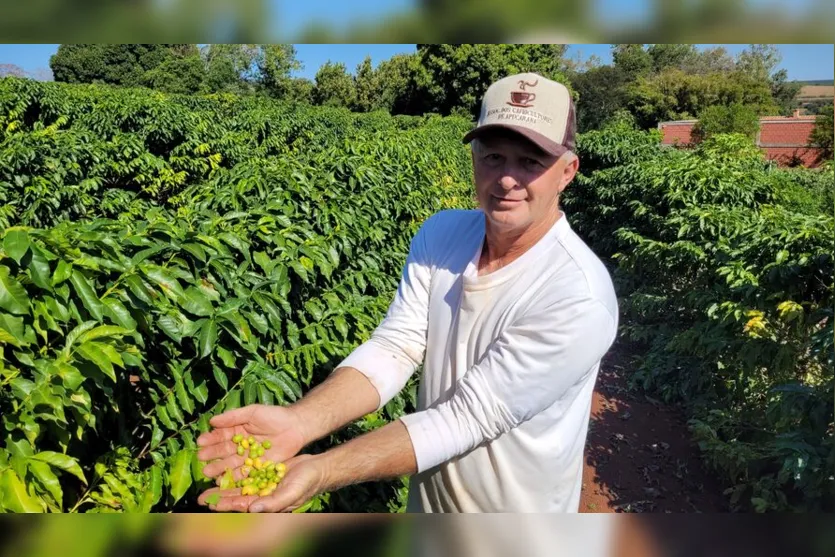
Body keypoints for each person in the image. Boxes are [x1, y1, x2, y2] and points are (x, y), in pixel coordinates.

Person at [196, 72, 619, 513]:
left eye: (531, 162)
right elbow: (396, 346)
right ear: (473, 157)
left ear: (567, 172)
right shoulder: (443, 234)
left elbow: (468, 416)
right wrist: (300, 422)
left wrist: (321, 470)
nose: (507, 179)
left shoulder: (576, 295)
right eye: (493, 156)